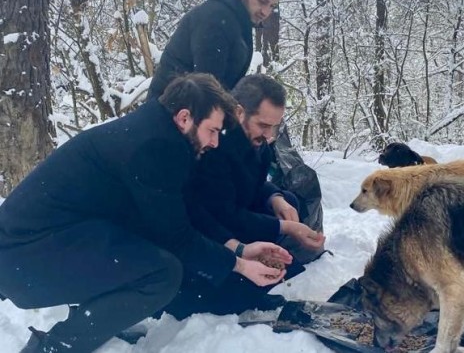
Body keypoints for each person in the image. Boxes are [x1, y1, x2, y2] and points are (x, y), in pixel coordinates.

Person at [0, 73, 292, 353]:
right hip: (25, 255)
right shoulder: (154, 148)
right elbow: (178, 238)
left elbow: (183, 212)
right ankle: (55, 347)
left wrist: (238, 248)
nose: (215, 142)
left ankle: (97, 317)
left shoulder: (157, 132)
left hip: (41, 245)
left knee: (145, 252)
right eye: (212, 130)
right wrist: (239, 265)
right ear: (184, 118)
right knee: (162, 273)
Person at [183, 74, 326, 312]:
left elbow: (254, 183)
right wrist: (286, 228)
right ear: (239, 112)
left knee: (288, 201)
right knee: (235, 295)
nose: (270, 136)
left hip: (234, 214)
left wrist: (275, 198)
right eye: (263, 125)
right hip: (212, 229)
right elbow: (225, 214)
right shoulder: (216, 147)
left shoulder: (255, 141)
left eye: (274, 126)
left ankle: (257, 272)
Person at [147, 0, 281, 100]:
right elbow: (207, 90)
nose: (265, 12)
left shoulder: (234, 20)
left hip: (182, 116)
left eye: (272, 6)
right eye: (262, 1)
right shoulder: (216, 19)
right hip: (171, 119)